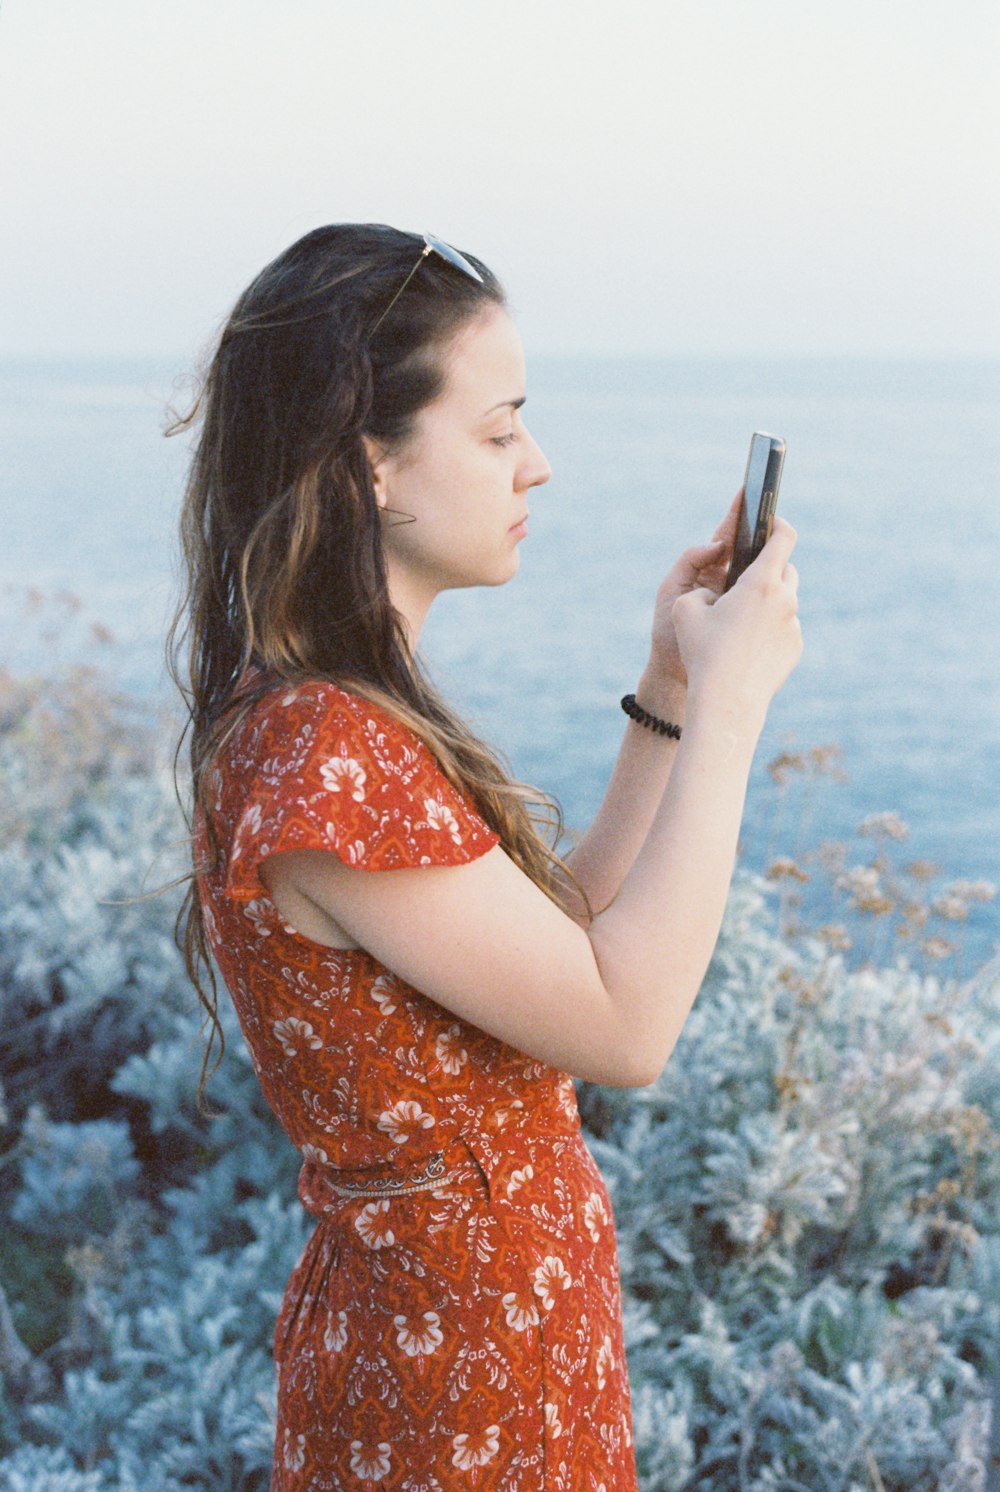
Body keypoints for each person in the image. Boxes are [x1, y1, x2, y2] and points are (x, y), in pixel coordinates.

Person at [167, 223, 802, 1490]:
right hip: (451, 1397)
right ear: (374, 467)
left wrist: (668, 691)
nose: (538, 466)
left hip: (480, 1360)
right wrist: (735, 713)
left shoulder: (329, 719)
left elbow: (547, 954)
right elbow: (627, 1026)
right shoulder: (326, 756)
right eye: (500, 429)